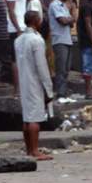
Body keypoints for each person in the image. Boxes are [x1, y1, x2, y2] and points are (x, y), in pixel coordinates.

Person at [15, 10, 55, 161]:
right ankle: (35, 150)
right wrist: (48, 85)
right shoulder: (36, 40)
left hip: (23, 80)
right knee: (34, 118)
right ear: (36, 21)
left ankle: (29, 150)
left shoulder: (18, 40)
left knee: (27, 116)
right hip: (35, 81)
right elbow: (41, 66)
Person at [49, 0, 75, 97]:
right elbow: (63, 21)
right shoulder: (54, 5)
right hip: (59, 40)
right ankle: (60, 92)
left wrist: (70, 19)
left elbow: (71, 23)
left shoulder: (64, 6)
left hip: (67, 39)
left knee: (66, 68)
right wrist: (71, 18)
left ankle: (63, 90)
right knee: (61, 67)